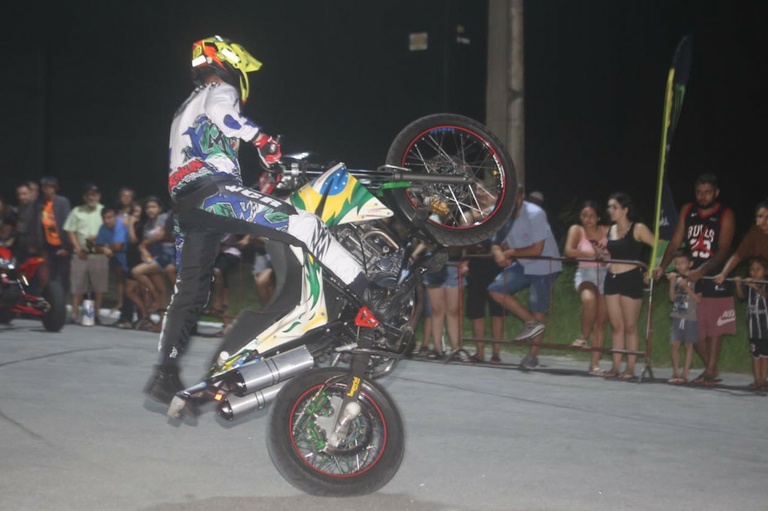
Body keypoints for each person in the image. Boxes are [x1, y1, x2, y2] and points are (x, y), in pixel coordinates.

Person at [145, 35, 407, 404]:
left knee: (190, 292)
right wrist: (263, 140)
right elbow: (224, 116)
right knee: (306, 225)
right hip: (214, 193)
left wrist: (260, 169)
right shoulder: (220, 89)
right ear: (229, 63)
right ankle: (372, 295)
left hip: (187, 207)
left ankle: (165, 373)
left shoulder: (184, 107)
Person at [653, 173, 736, 386]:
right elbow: (675, 242)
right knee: (692, 326)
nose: (703, 196)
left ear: (716, 193)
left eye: (707, 192)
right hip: (689, 274)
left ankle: (709, 371)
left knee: (715, 326)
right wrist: (662, 266)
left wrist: (703, 269)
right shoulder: (687, 210)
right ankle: (711, 368)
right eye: (699, 192)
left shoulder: (725, 214)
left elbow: (724, 249)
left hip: (714, 274)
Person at [488, 186, 562, 370]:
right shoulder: (503, 215)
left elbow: (537, 250)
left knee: (537, 307)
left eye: (513, 197)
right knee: (496, 289)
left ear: (521, 197)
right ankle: (530, 323)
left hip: (545, 264)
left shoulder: (535, 214)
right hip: (523, 263)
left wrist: (511, 253)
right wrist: (499, 253)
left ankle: (532, 356)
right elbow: (496, 242)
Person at [602, 192, 655, 380]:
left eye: (614, 207)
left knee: (630, 326)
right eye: (609, 207)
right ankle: (616, 367)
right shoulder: (610, 230)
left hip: (630, 279)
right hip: (611, 279)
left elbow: (659, 246)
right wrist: (603, 257)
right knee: (616, 326)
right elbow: (612, 254)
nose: (610, 210)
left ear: (625, 210)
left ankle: (630, 368)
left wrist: (651, 269)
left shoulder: (638, 228)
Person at [563, 200, 609, 375]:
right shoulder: (577, 230)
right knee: (589, 300)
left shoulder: (606, 230)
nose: (588, 219)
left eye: (591, 216)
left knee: (601, 321)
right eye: (584, 216)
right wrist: (592, 255)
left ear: (598, 217)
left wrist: (603, 256)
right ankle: (583, 336)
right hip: (585, 273)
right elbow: (569, 251)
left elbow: (612, 253)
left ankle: (595, 364)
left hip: (605, 274)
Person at [62, 183, 106, 325]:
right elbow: (70, 231)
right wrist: (78, 248)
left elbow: (110, 229)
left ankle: (96, 315)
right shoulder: (77, 211)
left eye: (94, 194)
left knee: (98, 287)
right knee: (77, 285)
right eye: (89, 195)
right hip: (80, 254)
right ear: (84, 197)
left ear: (99, 196)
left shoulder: (104, 211)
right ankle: (74, 314)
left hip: (99, 254)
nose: (92, 197)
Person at [665, 248, 701, 385]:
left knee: (688, 345)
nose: (679, 266)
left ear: (690, 263)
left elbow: (698, 299)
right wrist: (671, 282)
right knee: (675, 344)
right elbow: (671, 298)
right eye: (677, 263)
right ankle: (676, 372)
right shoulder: (677, 278)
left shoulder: (696, 279)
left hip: (690, 316)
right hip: (677, 314)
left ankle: (685, 374)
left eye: (682, 263)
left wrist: (686, 288)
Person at [714, 199, 768, 284]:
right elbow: (738, 255)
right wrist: (723, 273)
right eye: (760, 217)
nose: (764, 221)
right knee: (741, 274)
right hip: (759, 276)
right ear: (756, 219)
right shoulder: (754, 232)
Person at [734, 257, 768, 389]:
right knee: (755, 355)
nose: (755, 272)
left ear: (765, 271)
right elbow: (741, 297)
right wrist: (738, 284)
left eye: (759, 269)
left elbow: (765, 295)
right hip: (753, 328)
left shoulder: (765, 284)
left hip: (765, 328)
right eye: (752, 269)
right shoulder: (748, 286)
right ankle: (757, 380)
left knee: (765, 355)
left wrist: (755, 286)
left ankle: (764, 379)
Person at [36, 176, 72, 294]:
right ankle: (50, 298)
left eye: (50, 187)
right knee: (49, 275)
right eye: (45, 187)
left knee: (62, 275)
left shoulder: (62, 202)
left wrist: (67, 247)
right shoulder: (40, 203)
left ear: (55, 188)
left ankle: (62, 300)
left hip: (61, 245)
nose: (47, 190)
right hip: (47, 246)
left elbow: (67, 224)